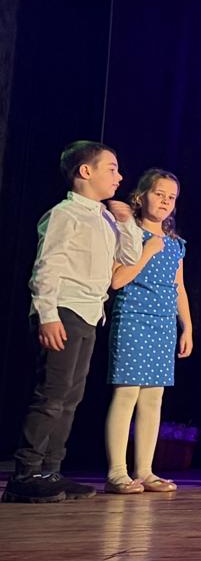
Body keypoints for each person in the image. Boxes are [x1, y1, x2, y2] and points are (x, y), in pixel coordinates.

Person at [4, 141, 140, 504]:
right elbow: (47, 266)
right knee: (52, 395)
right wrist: (47, 315)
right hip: (64, 310)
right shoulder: (65, 214)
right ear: (85, 171)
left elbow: (129, 257)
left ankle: (51, 470)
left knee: (71, 397)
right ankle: (26, 473)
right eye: (111, 168)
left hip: (90, 313)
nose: (119, 176)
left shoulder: (106, 217)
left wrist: (127, 223)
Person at [103, 169, 192, 494]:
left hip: (163, 324)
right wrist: (147, 251)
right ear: (141, 197)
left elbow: (179, 287)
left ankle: (145, 471)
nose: (165, 201)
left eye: (172, 197)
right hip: (133, 318)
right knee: (127, 393)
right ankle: (117, 473)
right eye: (159, 194)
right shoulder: (129, 233)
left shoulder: (176, 244)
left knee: (153, 398)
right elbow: (117, 280)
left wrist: (187, 327)